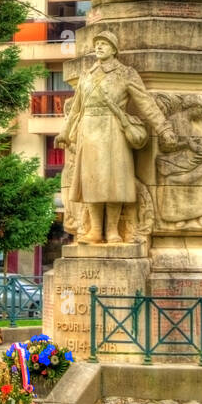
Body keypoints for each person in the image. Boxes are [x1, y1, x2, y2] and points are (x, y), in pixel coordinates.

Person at [56, 30, 174, 244]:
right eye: (97, 43)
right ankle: (94, 231)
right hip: (88, 129)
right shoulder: (86, 74)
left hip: (112, 130)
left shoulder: (125, 73)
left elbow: (145, 103)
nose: (99, 47)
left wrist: (163, 128)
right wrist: (65, 131)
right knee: (91, 182)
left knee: (113, 182)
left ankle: (112, 231)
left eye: (104, 43)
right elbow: (76, 108)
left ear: (114, 49)